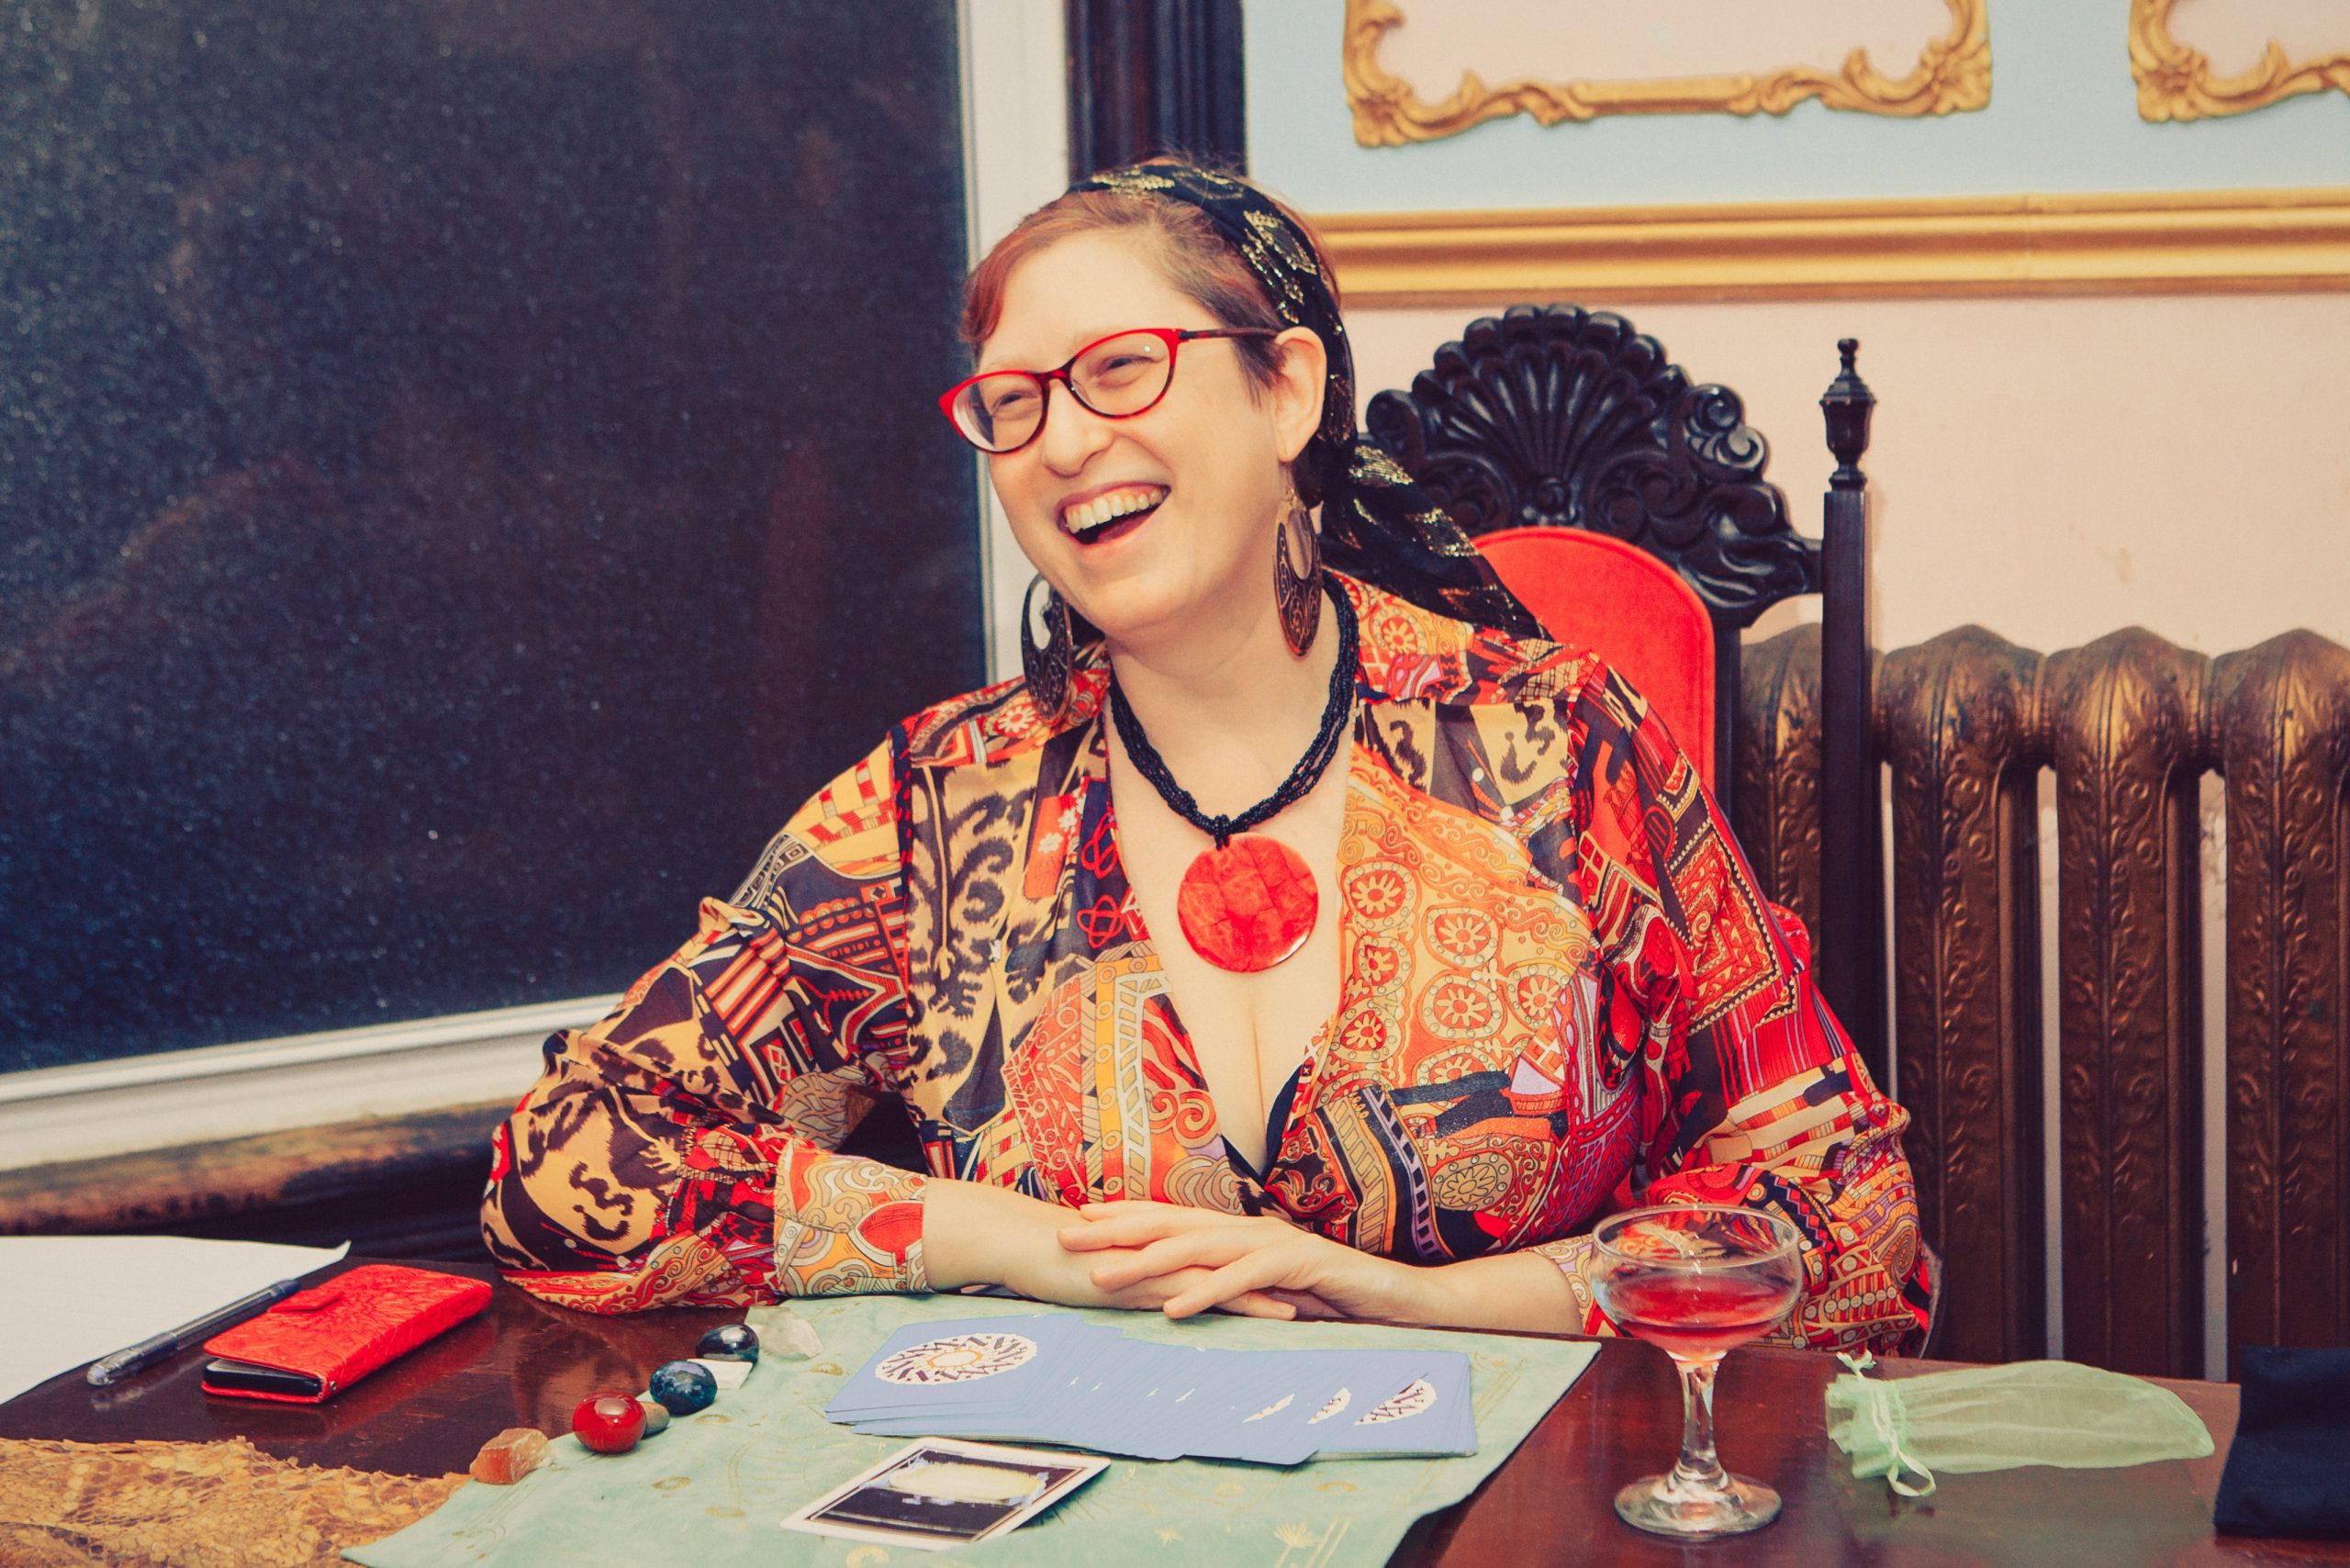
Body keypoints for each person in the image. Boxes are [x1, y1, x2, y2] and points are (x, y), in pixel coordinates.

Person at [481, 160, 1934, 1355]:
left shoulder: (1558, 746)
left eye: (1121, 371)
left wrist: (1429, 1304)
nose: (1060, 443)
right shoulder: (933, 809)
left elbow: (1847, 1206)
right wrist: (1009, 1244)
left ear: (1288, 392)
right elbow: (568, 1170)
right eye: (1014, 403)